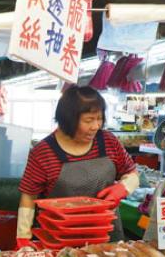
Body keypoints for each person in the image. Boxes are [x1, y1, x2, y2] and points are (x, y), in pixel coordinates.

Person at [16, 86, 140, 247]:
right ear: (69, 120)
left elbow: (132, 173)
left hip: (105, 237)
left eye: (99, 118)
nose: (95, 126)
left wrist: (124, 187)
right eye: (88, 120)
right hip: (60, 239)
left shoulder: (108, 141)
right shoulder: (43, 152)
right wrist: (23, 236)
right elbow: (28, 196)